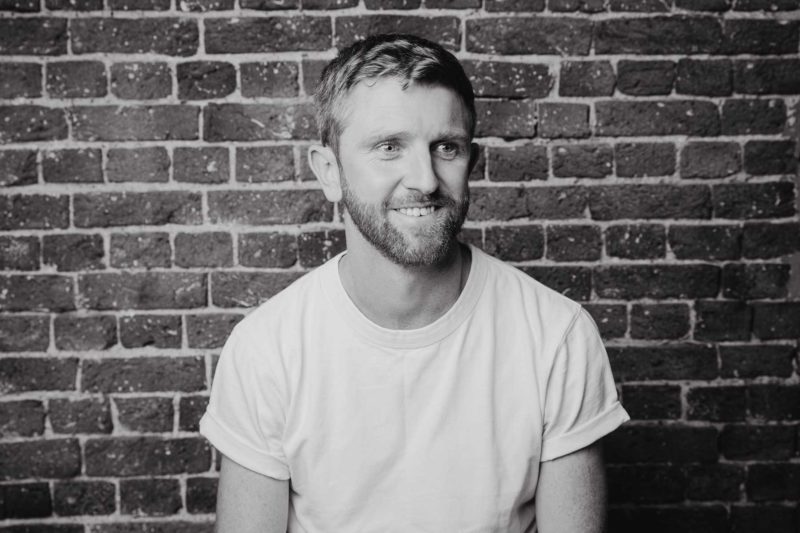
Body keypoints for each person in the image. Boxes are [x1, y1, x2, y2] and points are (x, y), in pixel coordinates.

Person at [199, 33, 629, 533]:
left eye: (446, 147)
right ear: (329, 172)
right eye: (388, 147)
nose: (424, 179)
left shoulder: (558, 338)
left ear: (472, 160)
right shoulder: (266, 350)